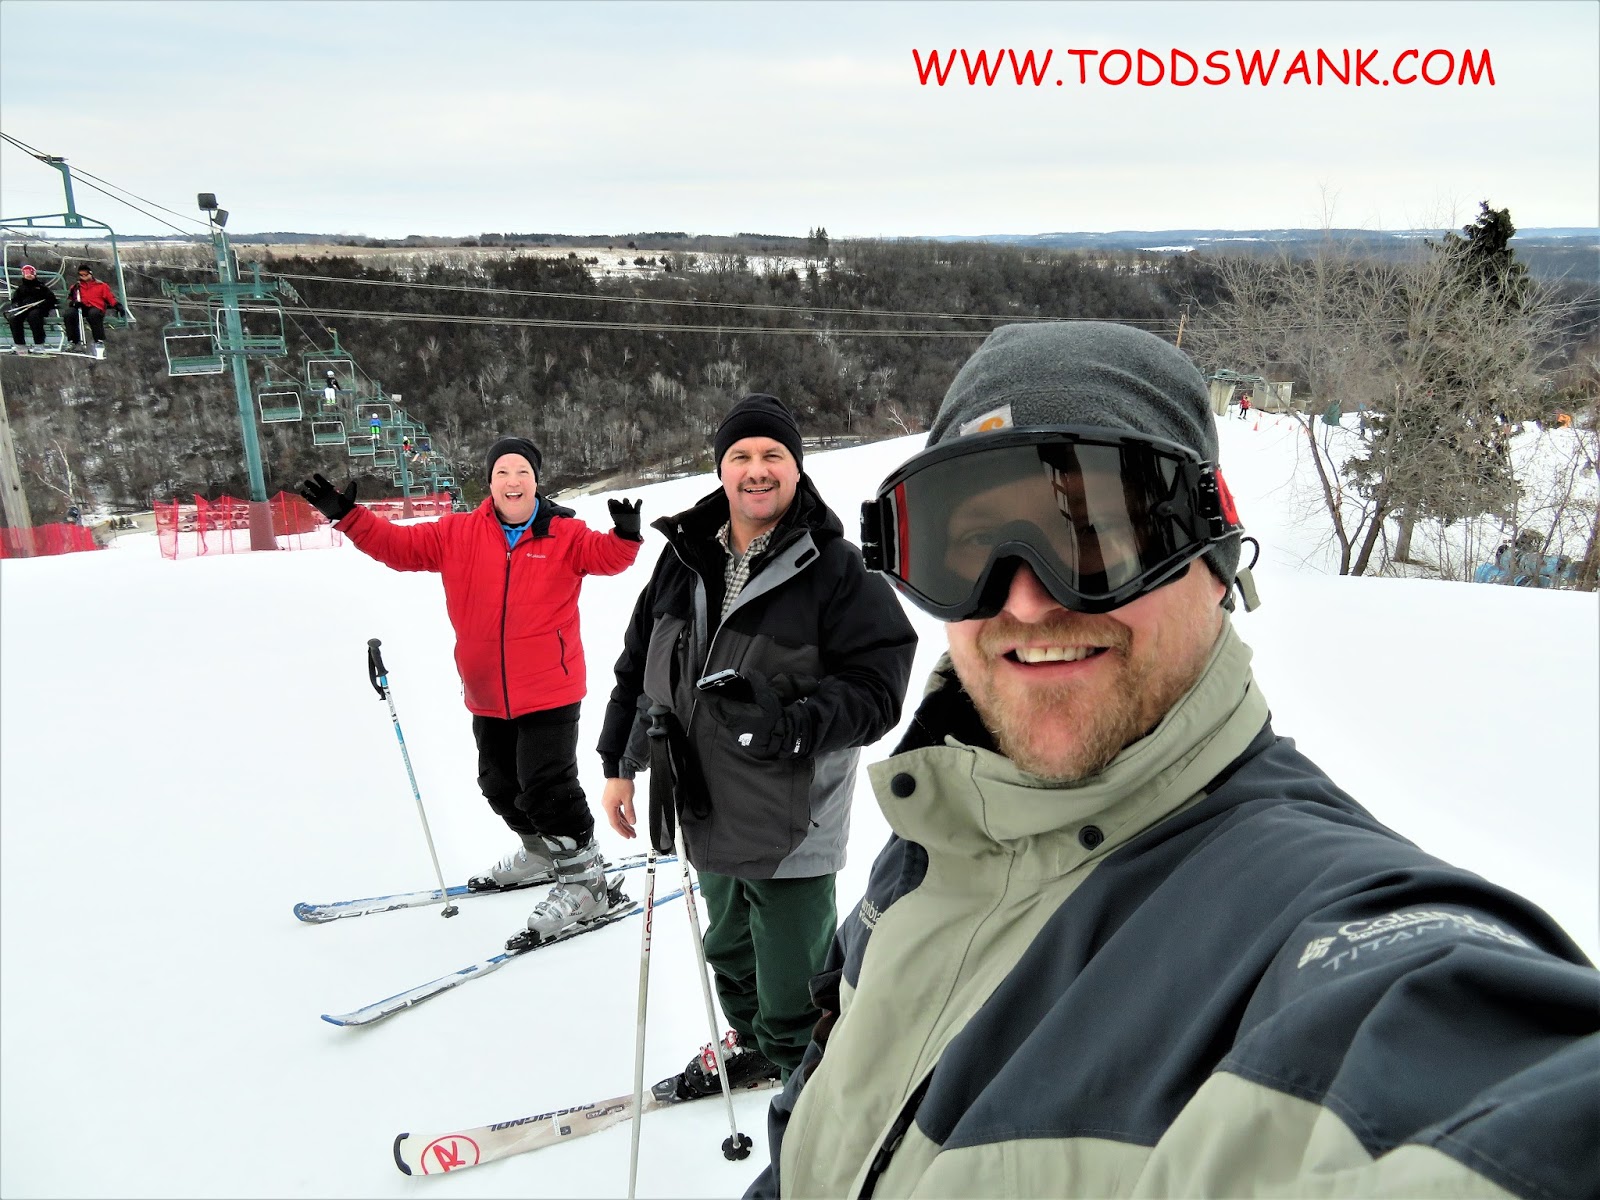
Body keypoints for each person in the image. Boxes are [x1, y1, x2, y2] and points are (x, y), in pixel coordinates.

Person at [748, 322, 1599, 1199]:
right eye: (972, 549)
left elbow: (1491, 1085)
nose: (1030, 600)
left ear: (1215, 559)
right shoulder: (940, 838)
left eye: (1099, 533)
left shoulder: (1310, 919)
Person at [598, 393, 918, 1100]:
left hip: (791, 821)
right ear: (721, 471)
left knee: (794, 981)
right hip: (704, 807)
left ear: (798, 471)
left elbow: (880, 685)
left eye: (774, 455)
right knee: (728, 952)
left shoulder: (838, 568)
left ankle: (813, 1088)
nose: (757, 469)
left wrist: (797, 722)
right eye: (740, 456)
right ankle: (759, 1047)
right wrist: (620, 765)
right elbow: (638, 667)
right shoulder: (683, 560)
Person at [298, 437, 646, 940]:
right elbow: (397, 548)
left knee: (547, 787)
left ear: (535, 481)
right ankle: (542, 854)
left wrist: (626, 536)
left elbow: (606, 557)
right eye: (503, 471)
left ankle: (587, 881)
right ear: (490, 482)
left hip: (550, 687)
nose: (512, 480)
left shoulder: (564, 533)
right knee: (500, 785)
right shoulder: (458, 533)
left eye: (522, 471)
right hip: (486, 690)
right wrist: (348, 516)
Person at [66, 264, 123, 354]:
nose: (84, 277)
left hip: (96, 307)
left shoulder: (101, 286)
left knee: (94, 315)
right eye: (81, 275)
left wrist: (117, 305)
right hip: (82, 307)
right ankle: (73, 340)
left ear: (90, 274)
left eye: (86, 274)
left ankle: (98, 340)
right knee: (69, 314)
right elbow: (71, 299)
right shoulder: (76, 287)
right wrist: (74, 303)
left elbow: (110, 297)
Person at [6, 264, 59, 352]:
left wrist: (41, 306)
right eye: (26, 274)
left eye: (30, 274)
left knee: (34, 317)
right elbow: (15, 300)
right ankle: (20, 344)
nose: (29, 276)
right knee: (14, 318)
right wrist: (16, 306)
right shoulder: (21, 289)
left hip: (38, 309)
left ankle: (39, 344)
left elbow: (51, 299)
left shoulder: (41, 287)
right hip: (24, 309)